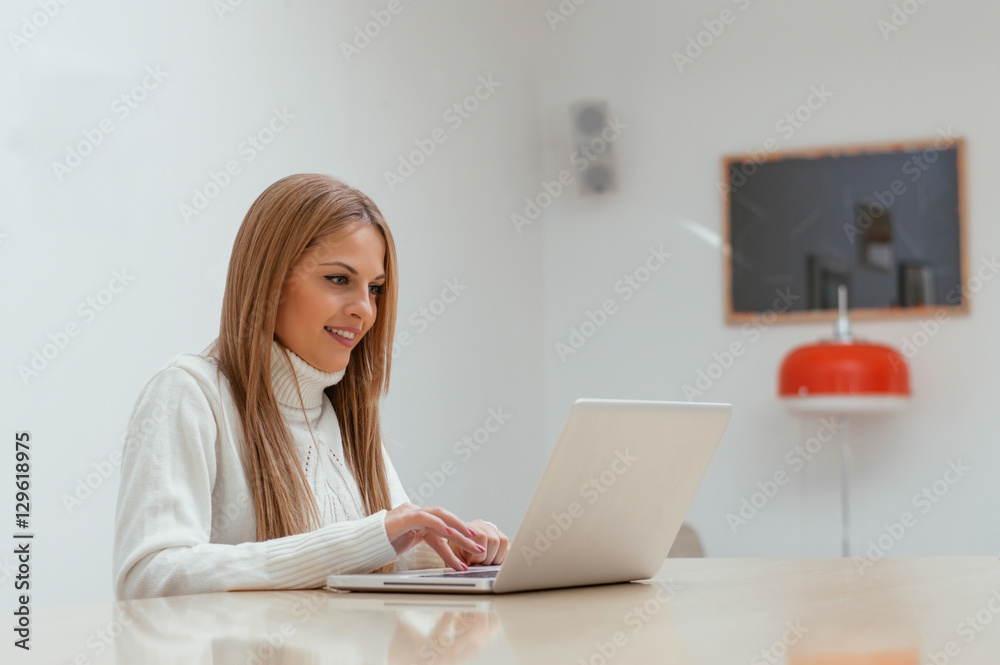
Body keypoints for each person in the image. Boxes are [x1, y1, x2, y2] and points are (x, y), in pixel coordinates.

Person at [113, 174, 508, 600]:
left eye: (374, 288)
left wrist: (461, 549)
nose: (365, 311)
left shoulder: (342, 412)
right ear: (270, 279)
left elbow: (385, 547)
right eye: (339, 279)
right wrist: (360, 541)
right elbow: (149, 579)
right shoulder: (188, 394)